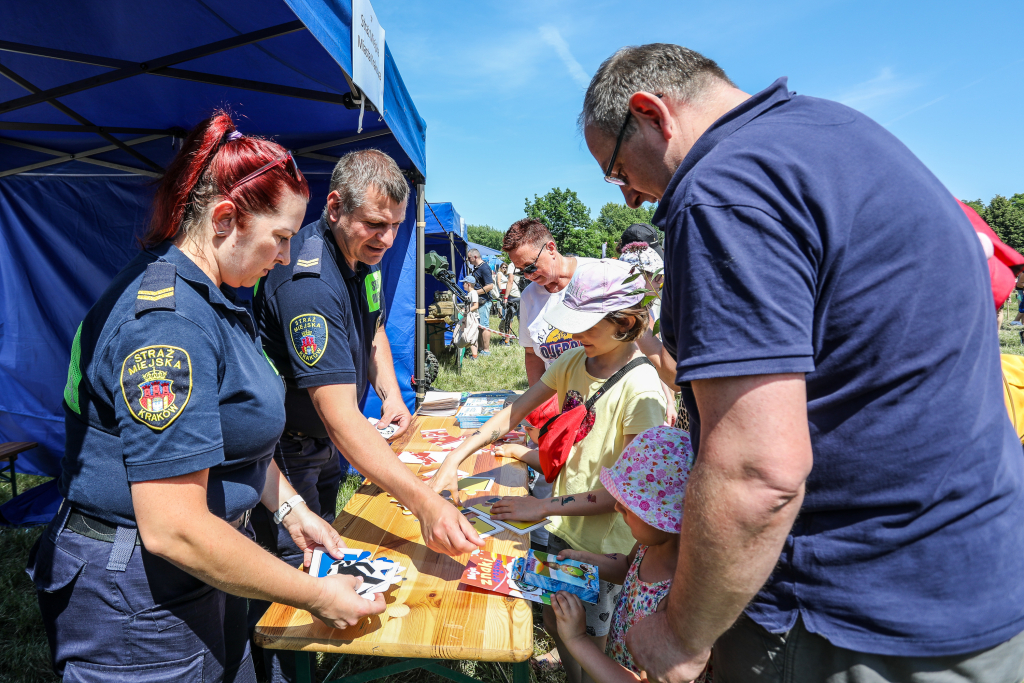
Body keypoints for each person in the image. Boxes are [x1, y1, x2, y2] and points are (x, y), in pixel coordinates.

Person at [580, 43, 1024, 682]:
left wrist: (681, 632)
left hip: (851, 613)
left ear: (652, 114)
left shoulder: (723, 187)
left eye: (618, 169)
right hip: (969, 577)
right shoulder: (834, 133)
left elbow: (758, 470)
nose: (628, 198)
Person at [27, 112, 383, 683]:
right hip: (141, 597)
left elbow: (231, 433)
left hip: (209, 569)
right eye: (281, 237)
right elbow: (174, 526)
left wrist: (288, 507)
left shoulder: (215, 295)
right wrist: (314, 594)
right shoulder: (167, 326)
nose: (287, 257)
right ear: (225, 220)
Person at [252, 149, 482, 679]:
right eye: (375, 224)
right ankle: (292, 668)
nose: (386, 238)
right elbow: (338, 417)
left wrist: (392, 394)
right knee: (298, 568)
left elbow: (374, 326)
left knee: (329, 541)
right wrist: (424, 504)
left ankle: (332, 644)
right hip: (288, 447)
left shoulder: (360, 257)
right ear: (334, 207)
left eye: (396, 227)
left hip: (326, 442)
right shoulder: (307, 279)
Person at [431, 260, 667, 683]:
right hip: (559, 524)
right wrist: (456, 458)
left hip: (602, 546)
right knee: (561, 621)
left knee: (592, 644)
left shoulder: (643, 391)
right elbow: (512, 413)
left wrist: (538, 507)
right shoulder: (575, 360)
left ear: (625, 324)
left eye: (586, 325)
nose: (575, 334)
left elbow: (624, 496)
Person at [551, 426, 705, 683]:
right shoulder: (652, 543)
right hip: (615, 658)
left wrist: (576, 640)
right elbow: (626, 568)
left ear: (667, 518)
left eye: (630, 505)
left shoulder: (683, 596)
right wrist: (586, 560)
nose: (617, 506)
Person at [466, 248, 495, 355]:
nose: (468, 260)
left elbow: (490, 286)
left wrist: (474, 293)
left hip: (484, 301)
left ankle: (486, 350)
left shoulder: (484, 268)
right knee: (478, 326)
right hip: (478, 301)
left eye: (469, 258)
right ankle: (481, 349)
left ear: (475, 257)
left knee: (484, 325)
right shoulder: (476, 268)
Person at [461, 274, 481, 359]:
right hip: (469, 317)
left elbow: (476, 306)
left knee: (473, 337)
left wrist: (466, 311)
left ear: (468, 284)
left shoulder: (473, 293)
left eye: (464, 283)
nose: (463, 285)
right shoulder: (469, 293)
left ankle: (474, 355)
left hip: (474, 317)